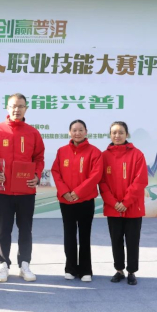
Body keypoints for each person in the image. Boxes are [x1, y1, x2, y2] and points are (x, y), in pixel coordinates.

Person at [0, 93, 45, 282]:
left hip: (26, 189)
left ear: (26, 109)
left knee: (25, 228)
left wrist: (36, 175)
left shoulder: (33, 132)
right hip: (3, 190)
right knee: (4, 229)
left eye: (20, 106)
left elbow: (39, 158)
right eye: (13, 106)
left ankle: (24, 264)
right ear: (7, 108)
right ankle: (3, 264)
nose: (16, 109)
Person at [51, 120, 102, 282]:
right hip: (66, 201)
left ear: (86, 132)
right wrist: (65, 192)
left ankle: (86, 270)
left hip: (85, 200)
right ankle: (70, 268)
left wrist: (78, 192)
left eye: (81, 130)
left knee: (85, 235)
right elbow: (56, 172)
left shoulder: (94, 152)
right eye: (74, 130)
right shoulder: (62, 151)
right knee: (69, 234)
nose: (77, 133)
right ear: (69, 132)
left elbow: (95, 175)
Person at [99, 121, 148, 286]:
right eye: (114, 132)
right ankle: (119, 270)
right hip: (113, 207)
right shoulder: (104, 156)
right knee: (116, 240)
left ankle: (132, 271)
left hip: (132, 207)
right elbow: (102, 182)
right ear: (110, 135)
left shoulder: (137, 154)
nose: (117, 135)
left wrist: (126, 202)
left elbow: (140, 181)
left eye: (120, 132)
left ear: (127, 134)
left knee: (132, 241)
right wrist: (113, 203)